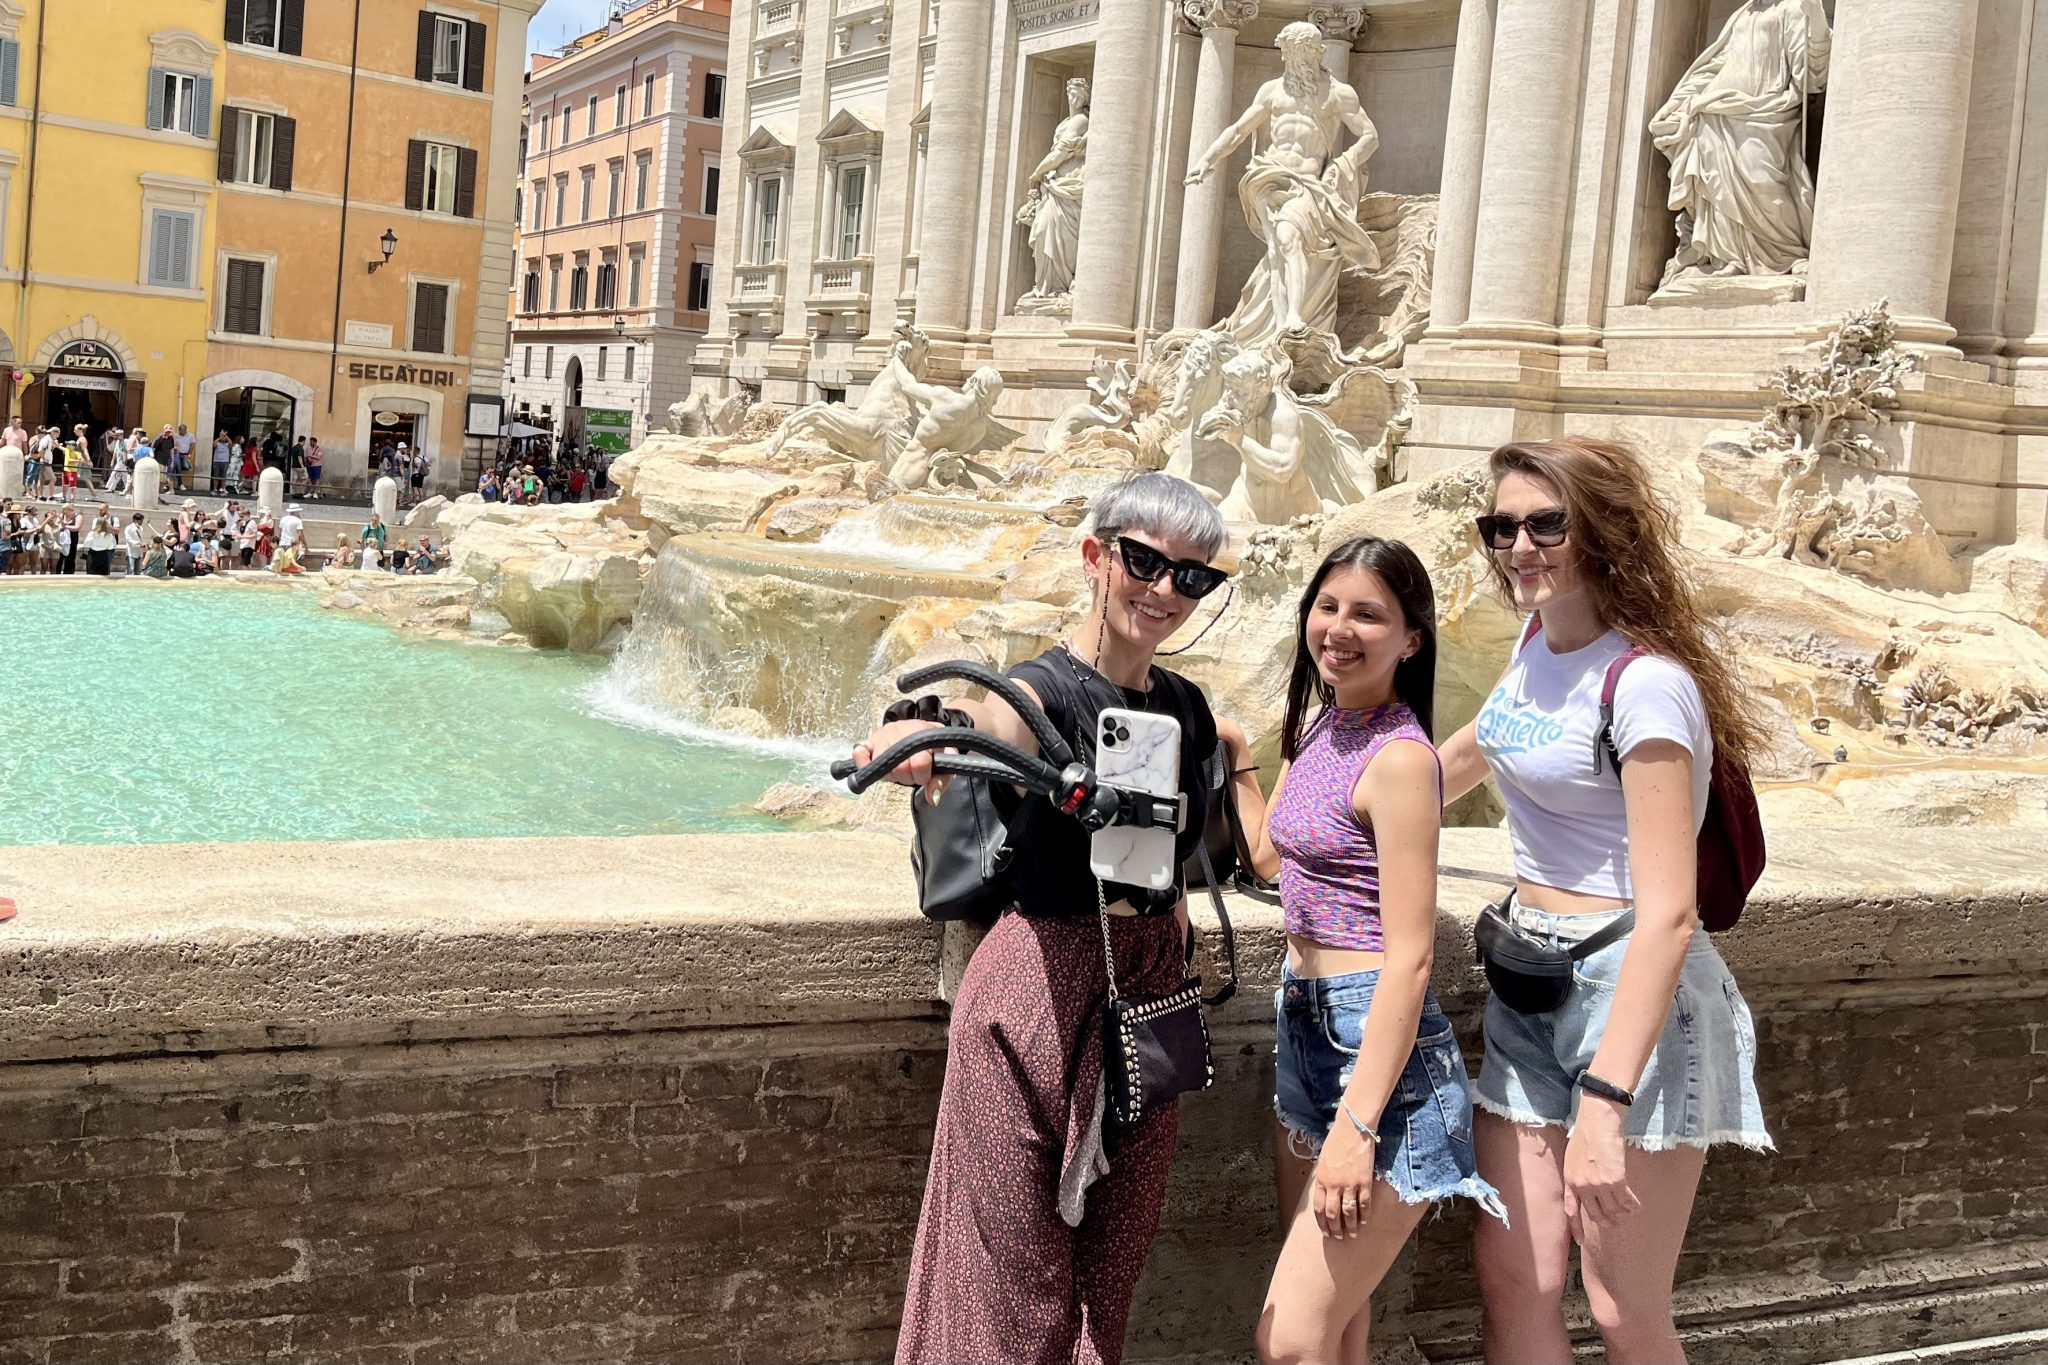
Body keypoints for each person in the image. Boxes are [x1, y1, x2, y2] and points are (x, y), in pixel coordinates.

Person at [854, 472, 1233, 1365]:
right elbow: (980, 734)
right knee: (1010, 1278)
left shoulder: (1187, 707)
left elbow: (1203, 841)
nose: (1164, 590)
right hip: (1034, 992)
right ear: (1097, 556)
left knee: (1112, 1272)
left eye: (1192, 577)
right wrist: (918, 747)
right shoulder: (1036, 689)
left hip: (1146, 996)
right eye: (1143, 561)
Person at [1432, 438, 1772, 1364]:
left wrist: (1604, 1105)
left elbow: (1670, 912)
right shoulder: (1539, 639)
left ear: (1604, 531)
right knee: (1515, 1277)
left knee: (1623, 1307)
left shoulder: (1650, 685)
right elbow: (1487, 737)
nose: (1519, 545)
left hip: (1632, 1005)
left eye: (1548, 523)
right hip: (1530, 982)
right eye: (1501, 526)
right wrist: (1353, 809)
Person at [1226, 537, 1505, 1364]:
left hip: (1377, 1053)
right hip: (1306, 1027)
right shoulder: (1320, 726)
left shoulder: (1402, 759)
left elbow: (1411, 956)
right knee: (1339, 1328)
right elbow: (1273, 856)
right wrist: (1238, 753)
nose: (1339, 629)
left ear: (1412, 638)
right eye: (1328, 606)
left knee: (1288, 1336)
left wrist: (1357, 1124)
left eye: (1369, 614)